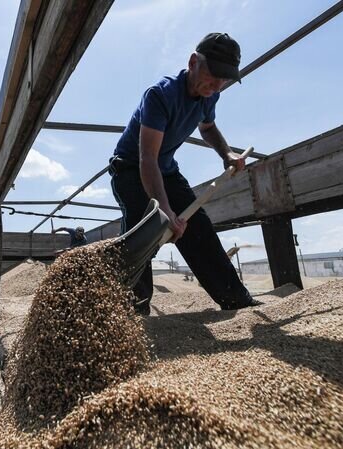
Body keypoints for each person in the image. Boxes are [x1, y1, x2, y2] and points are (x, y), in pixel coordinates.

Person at [109, 32, 259, 315]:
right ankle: (132, 307)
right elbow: (147, 160)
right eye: (213, 76)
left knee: (198, 226)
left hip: (166, 169)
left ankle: (235, 298)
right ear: (193, 63)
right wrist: (165, 212)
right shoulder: (160, 96)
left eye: (224, 80)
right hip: (130, 168)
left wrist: (226, 154)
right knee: (145, 227)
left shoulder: (209, 95)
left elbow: (208, 128)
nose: (216, 86)